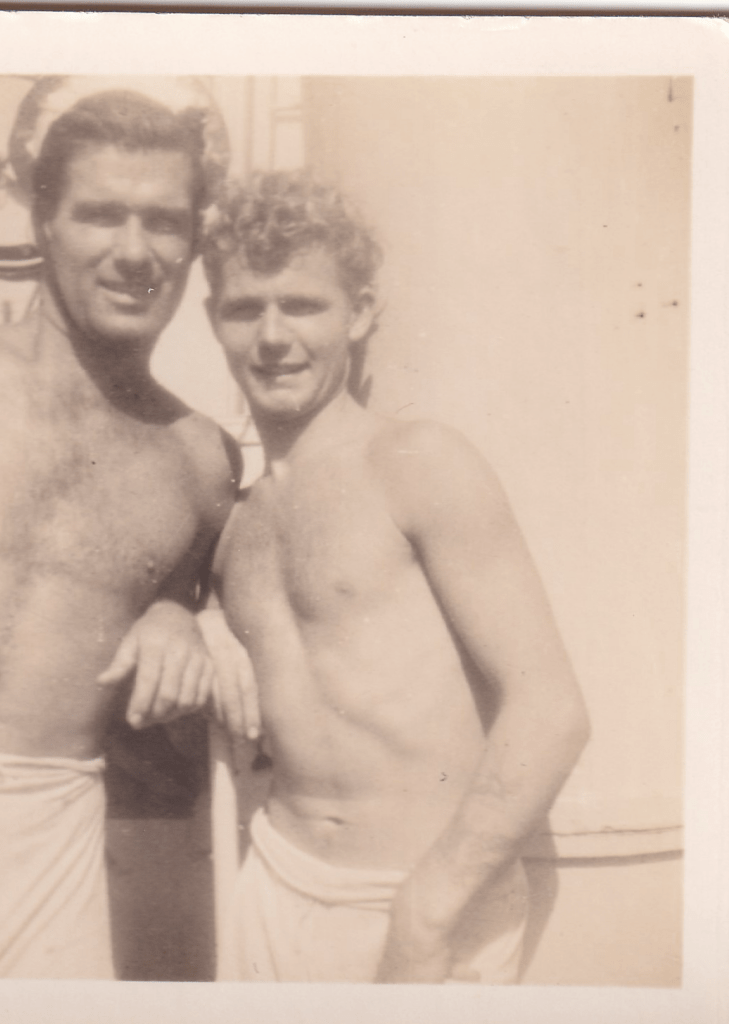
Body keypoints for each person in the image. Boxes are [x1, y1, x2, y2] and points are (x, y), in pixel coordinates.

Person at [0, 86, 240, 979]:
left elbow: (209, 596)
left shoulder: (202, 461)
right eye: (101, 214)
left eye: (164, 222)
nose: (135, 251)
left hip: (45, 846)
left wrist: (184, 615)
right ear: (41, 220)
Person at [200, 170, 590, 984]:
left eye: (303, 304)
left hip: (418, 907)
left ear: (362, 311)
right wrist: (199, 623)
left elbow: (550, 710)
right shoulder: (235, 519)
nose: (272, 337)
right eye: (245, 308)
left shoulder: (415, 463)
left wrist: (428, 910)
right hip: (273, 886)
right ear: (214, 321)